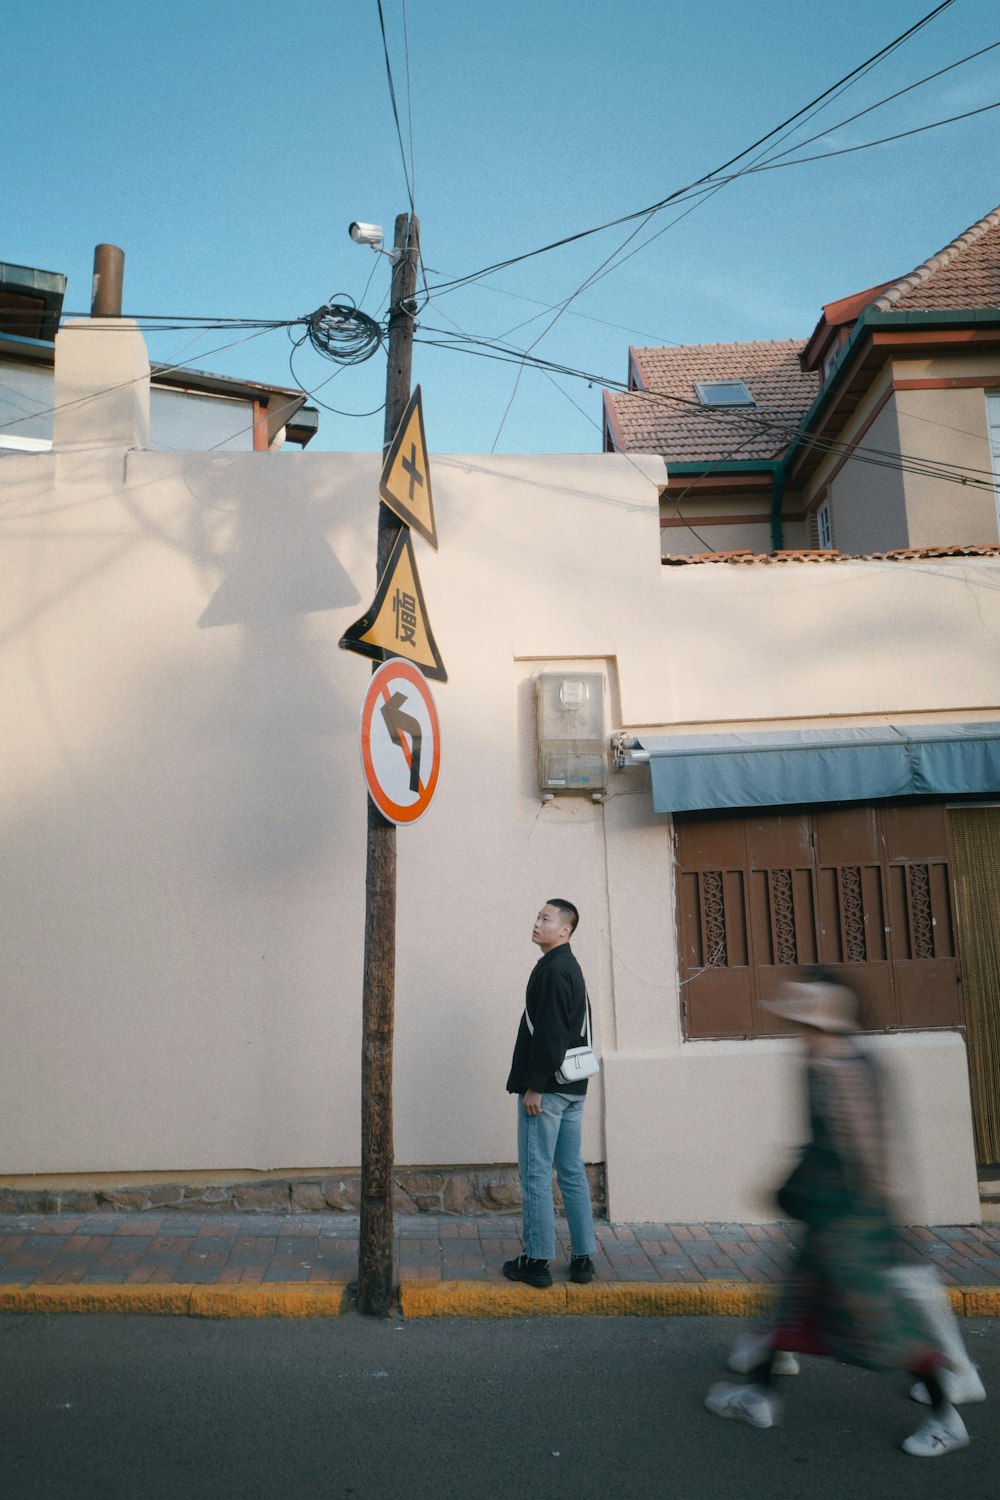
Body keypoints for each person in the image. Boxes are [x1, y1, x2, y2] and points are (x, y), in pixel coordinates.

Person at [705, 970, 973, 1458]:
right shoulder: (820, 1062)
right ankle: (759, 1396)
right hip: (829, 1218)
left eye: (804, 1022)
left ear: (826, 1024)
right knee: (790, 1302)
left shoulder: (846, 1069)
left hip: (853, 1223)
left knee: (885, 1327)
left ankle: (946, 1419)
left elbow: (871, 1157)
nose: (796, 1031)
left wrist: (875, 1227)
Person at [503, 899, 597, 1289]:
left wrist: (535, 1086)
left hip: (549, 1091)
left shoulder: (556, 970)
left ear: (566, 930)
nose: (537, 922)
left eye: (546, 918)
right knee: (572, 1171)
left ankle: (536, 1260)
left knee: (537, 1173)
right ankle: (582, 1258)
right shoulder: (568, 967)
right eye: (538, 916)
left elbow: (552, 1034)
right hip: (572, 1088)